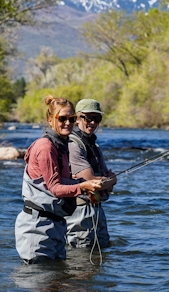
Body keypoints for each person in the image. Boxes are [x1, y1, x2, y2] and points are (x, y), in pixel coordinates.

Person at [15, 95, 103, 264]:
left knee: (58, 284)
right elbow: (55, 188)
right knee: (41, 282)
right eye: (62, 118)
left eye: (71, 118)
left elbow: (62, 181)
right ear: (50, 120)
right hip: (37, 226)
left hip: (56, 224)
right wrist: (84, 186)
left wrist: (82, 185)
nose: (68, 123)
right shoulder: (46, 147)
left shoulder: (61, 146)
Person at [66, 99, 117, 248]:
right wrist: (112, 180)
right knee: (82, 260)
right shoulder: (73, 145)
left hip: (97, 209)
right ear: (77, 118)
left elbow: (105, 185)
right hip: (79, 211)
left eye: (97, 118)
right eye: (88, 118)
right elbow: (93, 182)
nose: (93, 123)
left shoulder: (94, 145)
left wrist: (108, 183)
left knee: (102, 252)